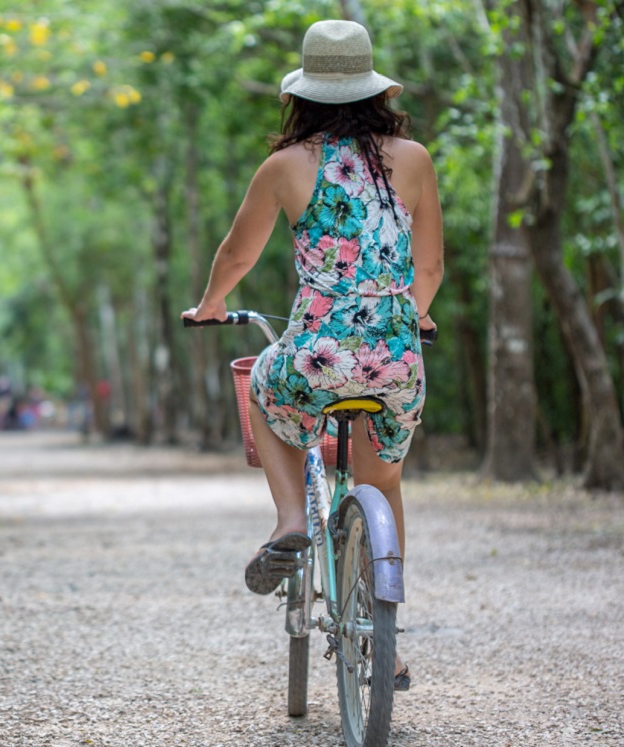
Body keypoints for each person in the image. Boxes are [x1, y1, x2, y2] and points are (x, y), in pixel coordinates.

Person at [182, 19, 443, 691]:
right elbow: (431, 266)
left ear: (302, 94)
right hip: (394, 358)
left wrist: (212, 304)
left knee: (264, 391)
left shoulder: (284, 168)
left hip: (316, 354)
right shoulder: (412, 159)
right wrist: (411, 313)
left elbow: (238, 254)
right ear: (374, 88)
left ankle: (291, 517)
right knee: (381, 481)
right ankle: (388, 635)